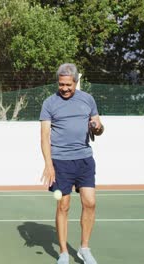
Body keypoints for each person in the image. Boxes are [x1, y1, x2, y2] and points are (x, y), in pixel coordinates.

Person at [39, 63, 103, 264]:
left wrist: (97, 127)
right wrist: (49, 164)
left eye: (68, 84)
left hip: (84, 159)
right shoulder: (49, 103)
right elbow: (44, 136)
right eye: (61, 84)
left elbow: (99, 127)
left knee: (90, 202)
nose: (64, 88)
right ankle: (64, 252)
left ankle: (84, 248)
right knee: (63, 206)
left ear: (76, 82)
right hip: (60, 162)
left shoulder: (88, 100)